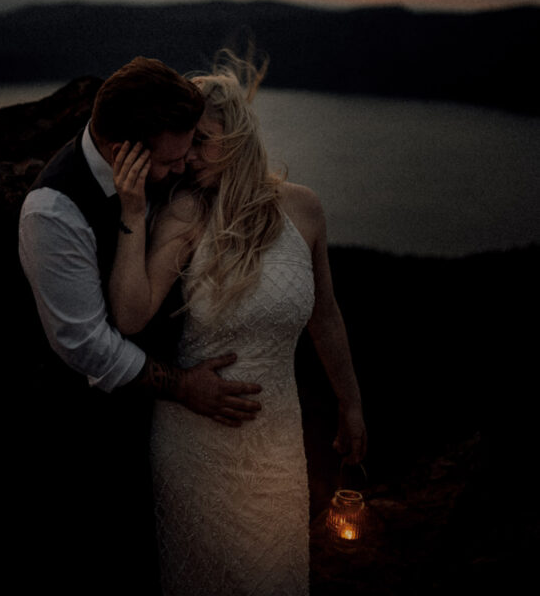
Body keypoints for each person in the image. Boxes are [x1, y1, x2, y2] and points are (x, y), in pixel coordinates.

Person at [108, 54, 367, 596]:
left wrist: (350, 402)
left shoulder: (304, 211)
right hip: (194, 448)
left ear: (238, 135)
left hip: (277, 449)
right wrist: (133, 212)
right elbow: (131, 315)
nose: (187, 158)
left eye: (201, 140)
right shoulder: (185, 212)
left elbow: (326, 313)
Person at [18, 56, 263, 589]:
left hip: (164, 425)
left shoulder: (164, 170)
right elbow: (89, 347)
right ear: (121, 150)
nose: (183, 169)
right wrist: (185, 388)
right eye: (171, 159)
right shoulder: (54, 211)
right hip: (91, 431)